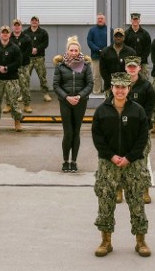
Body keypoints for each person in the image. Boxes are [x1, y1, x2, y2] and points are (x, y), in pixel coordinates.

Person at [92, 72, 151, 258]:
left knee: (136, 202)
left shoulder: (138, 111)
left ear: (128, 89)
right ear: (111, 88)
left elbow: (143, 138)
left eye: (123, 87)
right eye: (116, 87)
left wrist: (129, 157)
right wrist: (111, 156)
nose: (119, 90)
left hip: (133, 165)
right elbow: (97, 138)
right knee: (105, 202)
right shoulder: (102, 111)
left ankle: (141, 241)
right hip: (108, 165)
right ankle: (106, 241)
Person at [53, 36, 94, 173]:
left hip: (80, 102)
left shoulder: (86, 66)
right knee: (68, 133)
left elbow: (90, 84)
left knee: (76, 132)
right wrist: (67, 97)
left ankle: (74, 161)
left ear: (79, 51)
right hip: (65, 103)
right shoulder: (60, 66)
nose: (74, 52)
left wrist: (79, 96)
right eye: (71, 50)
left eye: (76, 50)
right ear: (67, 51)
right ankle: (65, 161)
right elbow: (56, 85)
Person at [125, 56, 155, 204]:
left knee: (142, 159)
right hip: (122, 129)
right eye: (129, 66)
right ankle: (120, 189)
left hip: (141, 129)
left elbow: (150, 107)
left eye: (134, 66)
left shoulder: (146, 86)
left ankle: (144, 190)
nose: (132, 69)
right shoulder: (119, 85)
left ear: (139, 68)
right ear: (125, 68)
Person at [0, 26, 24, 132]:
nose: (5, 34)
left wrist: (7, 68)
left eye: (7, 32)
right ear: (0, 34)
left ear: (9, 34)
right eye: (3, 32)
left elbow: (18, 62)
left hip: (11, 79)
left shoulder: (15, 48)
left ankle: (17, 122)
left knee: (14, 101)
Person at [23, 15, 52, 103]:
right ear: (30, 22)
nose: (34, 22)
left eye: (36, 21)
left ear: (38, 22)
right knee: (25, 77)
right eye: (33, 20)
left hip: (39, 58)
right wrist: (30, 50)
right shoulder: (25, 32)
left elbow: (45, 44)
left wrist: (37, 49)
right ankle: (23, 94)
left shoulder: (43, 32)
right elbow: (23, 44)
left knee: (42, 76)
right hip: (28, 58)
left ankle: (46, 93)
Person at [99, 28, 136, 96]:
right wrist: (112, 83)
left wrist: (125, 84)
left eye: (120, 36)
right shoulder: (105, 52)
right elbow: (103, 71)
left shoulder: (131, 52)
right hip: (109, 87)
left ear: (124, 37)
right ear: (113, 37)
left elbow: (132, 70)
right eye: (116, 36)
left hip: (126, 87)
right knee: (109, 106)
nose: (118, 38)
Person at [11, 19, 34, 113]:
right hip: (12, 67)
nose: (17, 27)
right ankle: (9, 104)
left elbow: (28, 51)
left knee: (25, 86)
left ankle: (27, 105)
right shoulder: (9, 38)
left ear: (21, 26)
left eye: (18, 25)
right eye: (15, 25)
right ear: (13, 27)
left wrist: (18, 59)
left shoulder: (27, 38)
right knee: (11, 87)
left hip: (24, 65)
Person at [124, 12, 152, 79]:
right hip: (129, 62)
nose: (135, 21)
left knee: (144, 80)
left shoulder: (145, 34)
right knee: (129, 80)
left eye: (137, 19)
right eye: (134, 19)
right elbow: (124, 47)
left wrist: (141, 59)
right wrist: (129, 59)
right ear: (131, 20)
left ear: (139, 20)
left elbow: (148, 48)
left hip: (142, 62)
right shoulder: (126, 33)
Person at [87, 13, 109, 94]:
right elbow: (89, 42)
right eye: (98, 18)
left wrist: (106, 50)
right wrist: (98, 49)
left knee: (107, 75)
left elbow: (112, 41)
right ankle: (96, 92)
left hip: (107, 57)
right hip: (96, 57)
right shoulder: (92, 30)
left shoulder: (109, 29)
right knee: (96, 76)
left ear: (105, 20)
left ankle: (106, 91)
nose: (100, 20)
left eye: (102, 18)